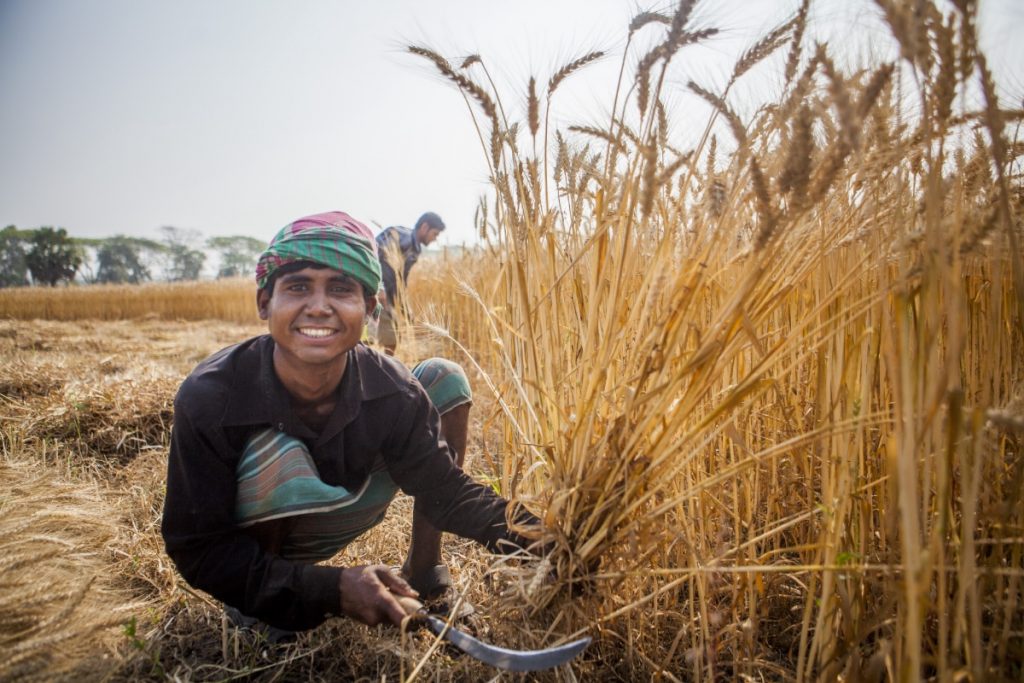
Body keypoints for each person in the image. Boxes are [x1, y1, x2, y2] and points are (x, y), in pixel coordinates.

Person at [161, 211, 538, 638]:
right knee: (274, 450)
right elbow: (198, 548)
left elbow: (445, 493)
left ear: (369, 308)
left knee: (441, 375)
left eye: (341, 289)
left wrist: (540, 538)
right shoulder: (212, 396)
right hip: (258, 545)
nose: (319, 307)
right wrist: (333, 590)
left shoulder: (393, 389)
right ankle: (264, 609)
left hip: (346, 506)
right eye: (298, 286)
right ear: (265, 303)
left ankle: (425, 571)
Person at [374, 211, 445, 354]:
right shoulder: (401, 237)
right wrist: (379, 288)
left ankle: (384, 368)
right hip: (374, 290)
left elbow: (400, 281)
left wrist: (405, 310)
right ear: (425, 227)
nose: (435, 239)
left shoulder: (415, 249)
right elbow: (378, 259)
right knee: (385, 338)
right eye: (435, 234)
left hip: (387, 294)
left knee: (392, 337)